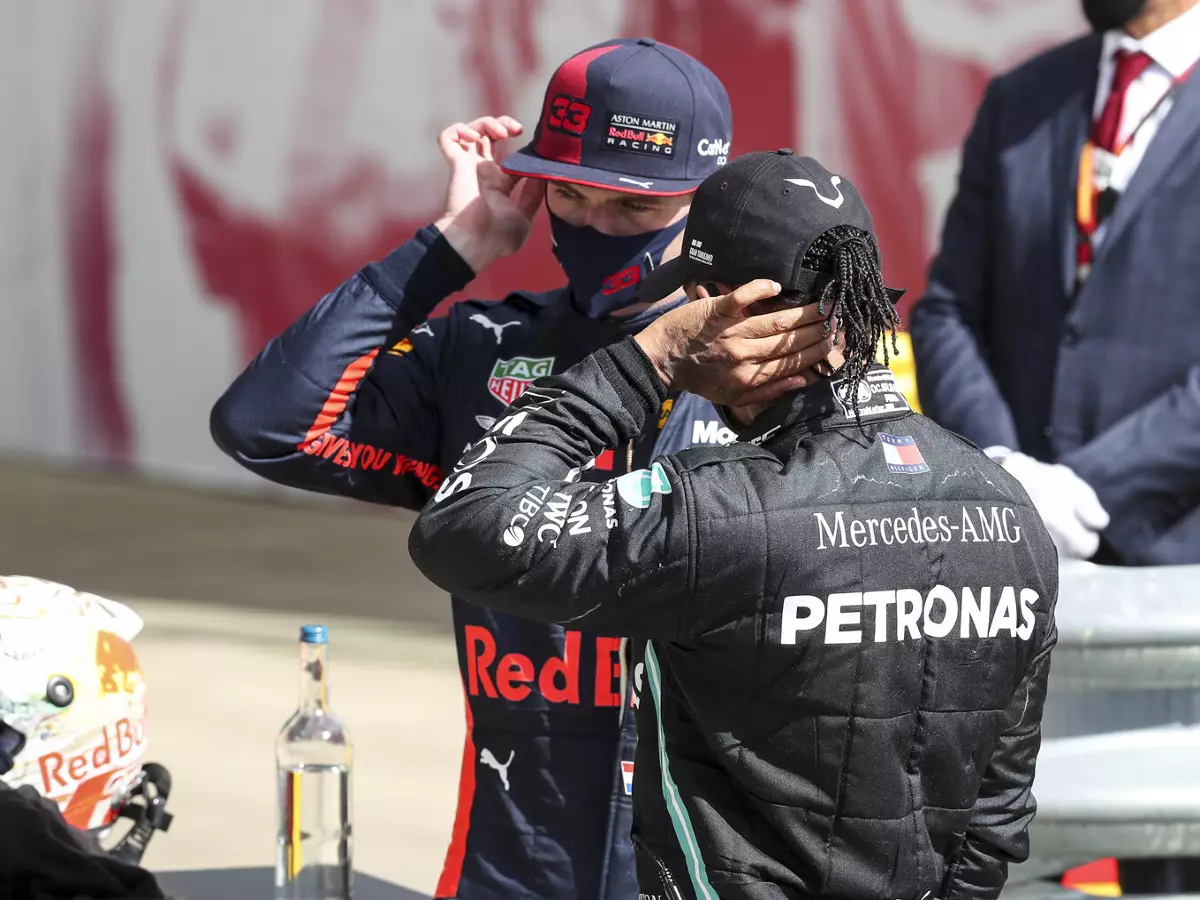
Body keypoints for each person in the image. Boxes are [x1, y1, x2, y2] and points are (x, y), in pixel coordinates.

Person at [210, 39, 837, 900]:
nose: (593, 228)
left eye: (632, 207)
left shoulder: (780, 358)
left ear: (704, 204)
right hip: (514, 855)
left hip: (710, 859)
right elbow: (265, 425)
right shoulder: (482, 348)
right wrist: (453, 248)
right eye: (571, 197)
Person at [410, 150, 1060, 900]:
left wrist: (647, 360)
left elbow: (463, 527)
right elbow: (996, 815)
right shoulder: (1008, 508)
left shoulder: (717, 511)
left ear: (714, 305)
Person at [909, 0, 1200, 567]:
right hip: (1007, 566)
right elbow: (949, 309)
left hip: (1177, 572)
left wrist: (1084, 490)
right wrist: (1005, 473)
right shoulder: (1022, 98)